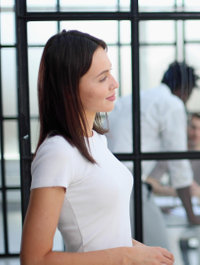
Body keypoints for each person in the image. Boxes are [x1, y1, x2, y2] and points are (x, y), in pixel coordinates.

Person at [20, 30, 174, 265]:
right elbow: (34, 259)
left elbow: (100, 230)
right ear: (70, 90)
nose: (114, 83)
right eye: (102, 78)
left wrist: (140, 251)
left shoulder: (96, 141)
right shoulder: (58, 152)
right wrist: (127, 256)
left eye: (110, 72)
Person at [106, 61, 200, 250]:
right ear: (184, 90)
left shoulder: (130, 99)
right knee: (162, 254)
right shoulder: (172, 104)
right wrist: (191, 215)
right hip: (130, 189)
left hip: (108, 185)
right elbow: (178, 163)